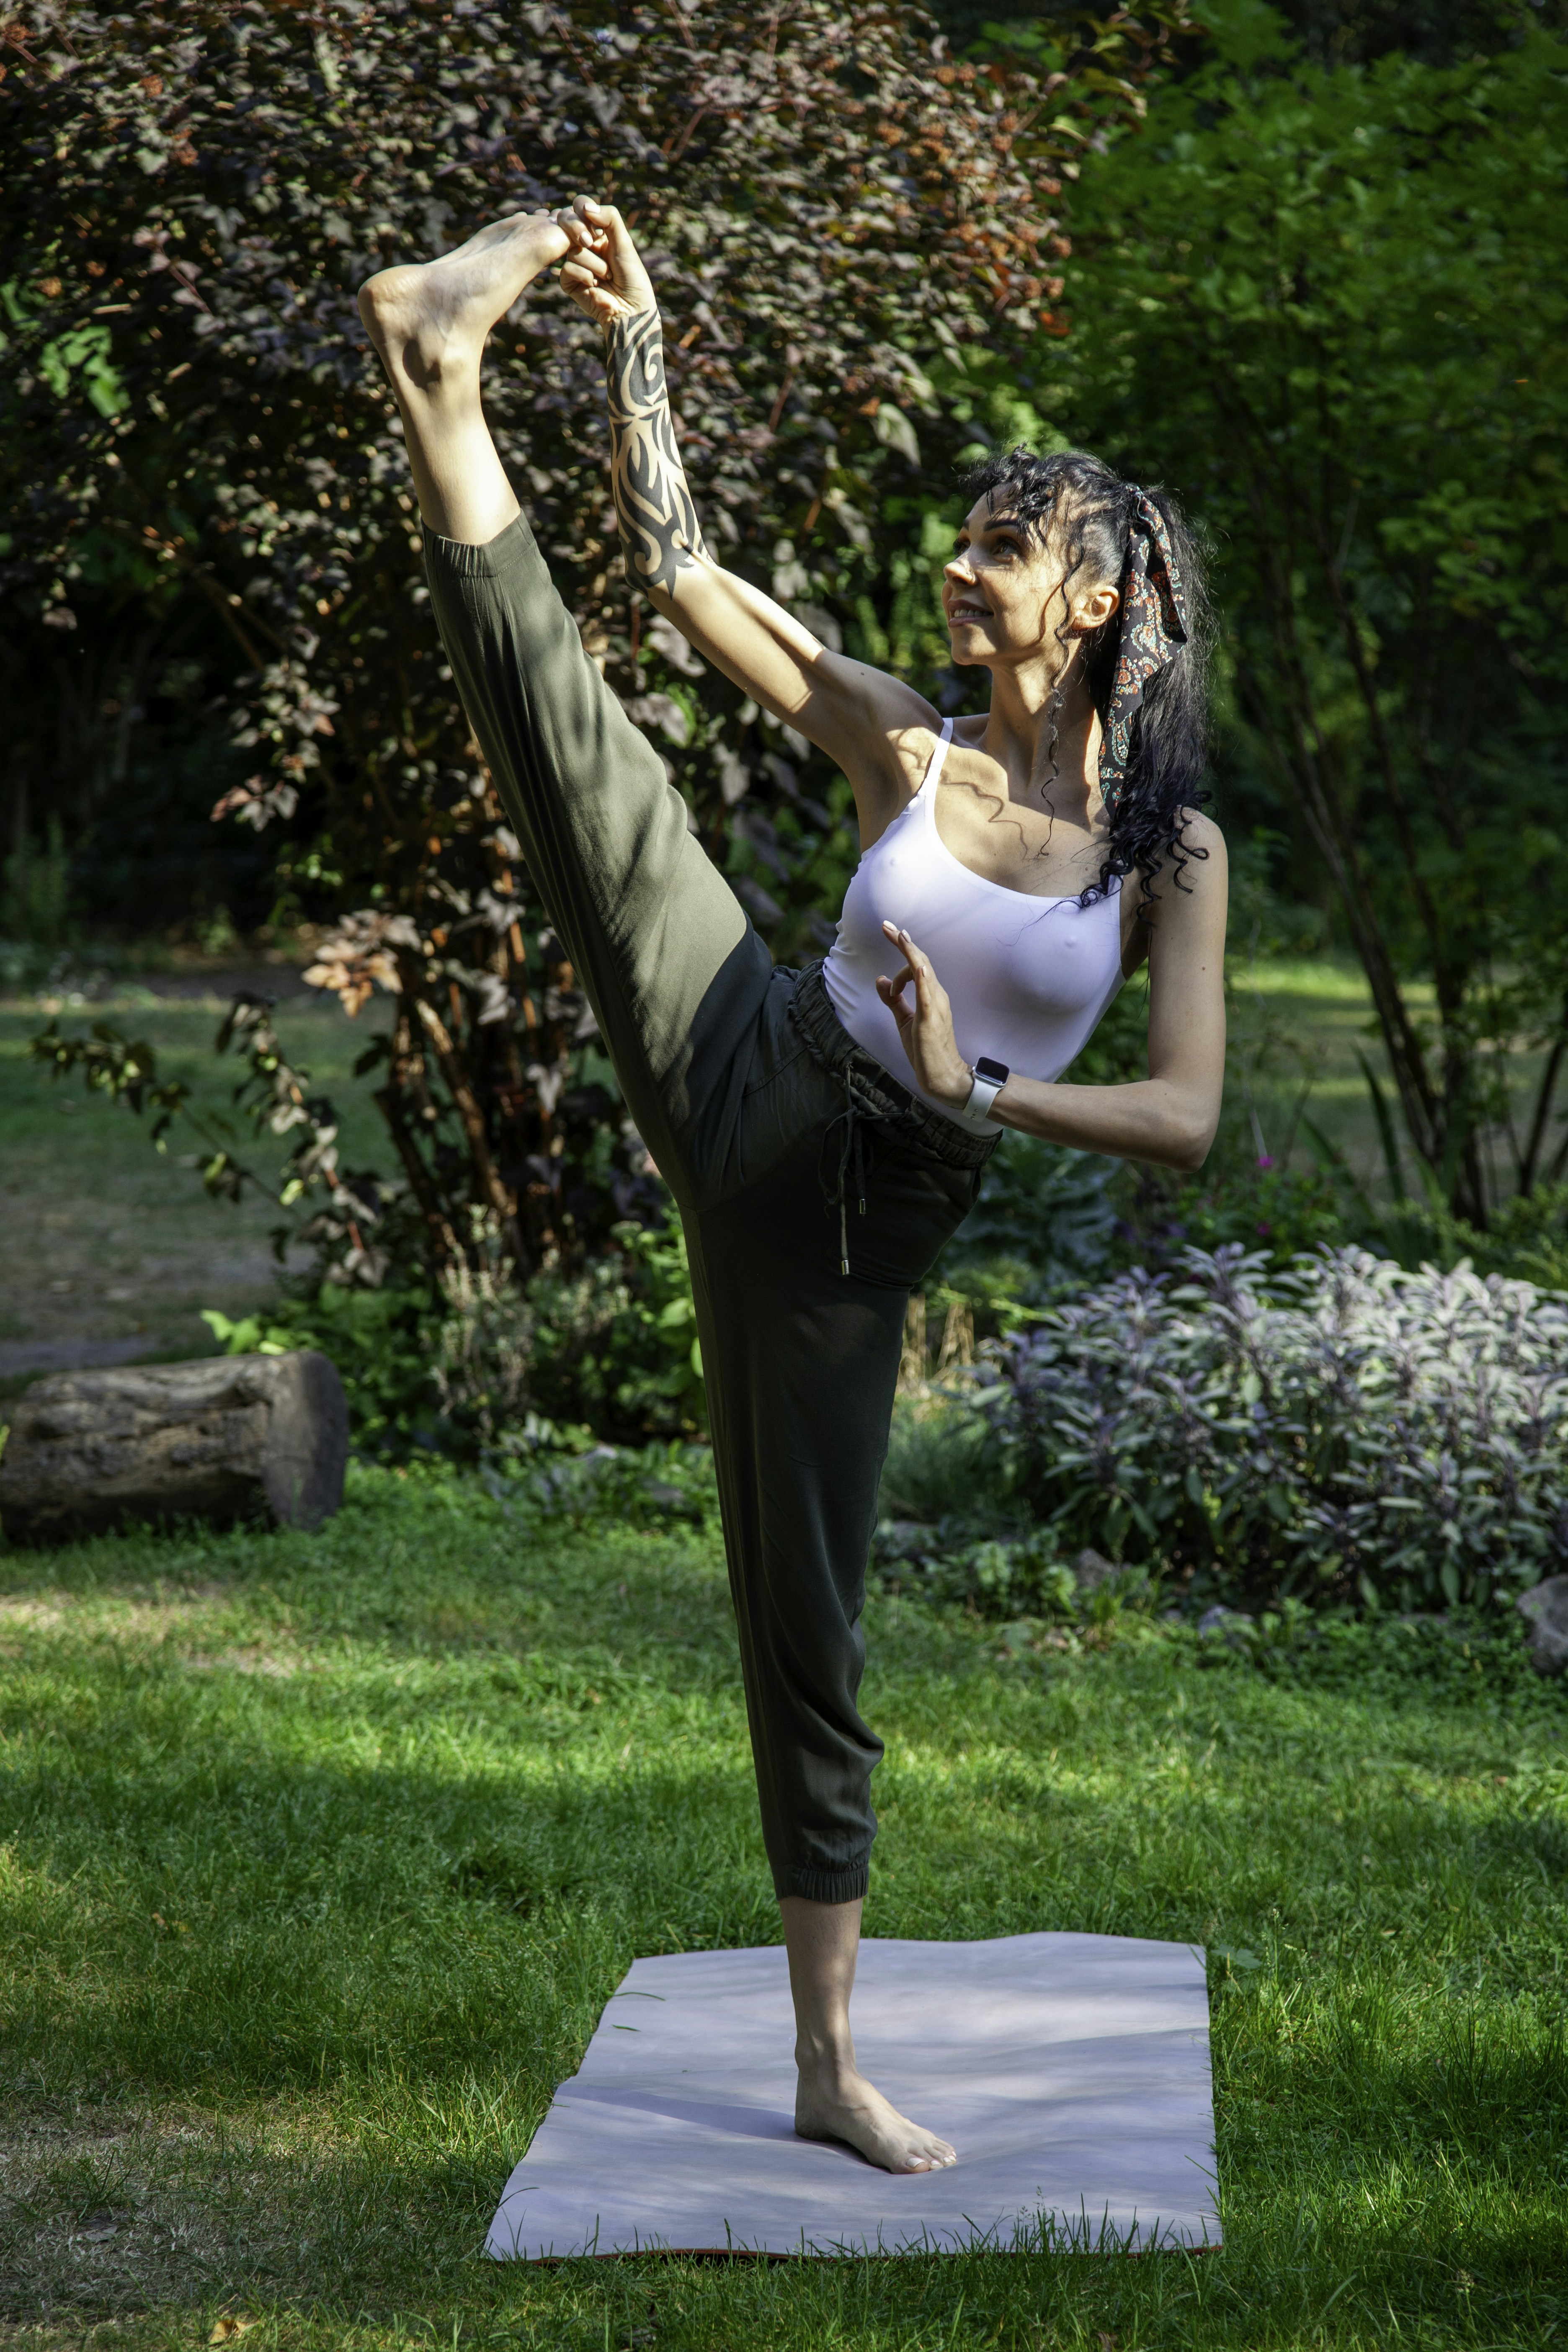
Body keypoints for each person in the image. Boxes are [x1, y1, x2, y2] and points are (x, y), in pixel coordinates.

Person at [358, 200, 1227, 2178]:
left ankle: (830, 2066)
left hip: (853, 1240)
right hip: (744, 1047)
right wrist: (640, 342)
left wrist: (976, 1086)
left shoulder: (1166, 850)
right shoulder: (905, 746)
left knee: (806, 1629)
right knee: (583, 762)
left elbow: (1182, 1116)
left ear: (1086, 598)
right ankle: (441, 365)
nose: (958, 561)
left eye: (1001, 545)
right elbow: (678, 579)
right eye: (969, 537)